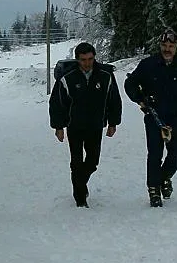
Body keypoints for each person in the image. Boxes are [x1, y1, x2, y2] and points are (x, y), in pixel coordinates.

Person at [124, 28, 177, 207]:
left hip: (175, 116)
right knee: (155, 154)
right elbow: (130, 84)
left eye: (171, 46)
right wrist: (140, 101)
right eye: (164, 45)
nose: (167, 49)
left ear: (176, 47)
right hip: (154, 116)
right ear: (160, 46)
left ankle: (164, 178)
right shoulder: (147, 64)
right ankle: (154, 190)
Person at [49, 42, 122, 208]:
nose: (87, 63)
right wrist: (58, 127)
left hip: (96, 125)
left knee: (92, 162)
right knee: (76, 162)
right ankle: (80, 197)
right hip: (74, 126)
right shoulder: (67, 77)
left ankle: (80, 184)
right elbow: (57, 103)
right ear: (77, 60)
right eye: (83, 60)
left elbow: (114, 100)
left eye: (90, 59)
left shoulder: (105, 75)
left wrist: (113, 122)